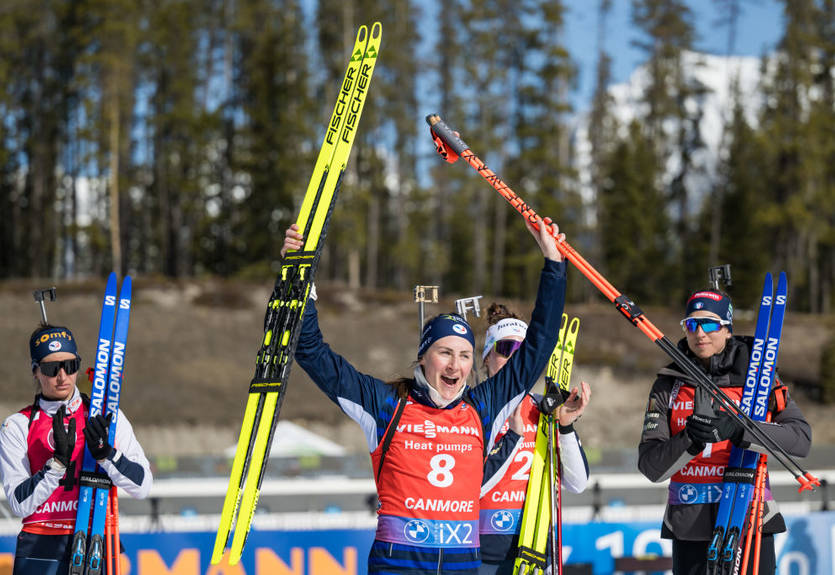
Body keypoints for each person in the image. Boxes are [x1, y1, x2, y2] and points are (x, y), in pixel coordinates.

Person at [282, 216, 567, 574]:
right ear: (423, 356)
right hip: (397, 565)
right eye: (444, 353)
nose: (455, 366)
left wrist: (554, 263)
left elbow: (539, 345)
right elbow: (311, 351)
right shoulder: (386, 405)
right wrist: (299, 277)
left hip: (462, 567)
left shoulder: (482, 407)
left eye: (464, 355)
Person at [638, 289, 811, 575]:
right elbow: (651, 467)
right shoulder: (669, 384)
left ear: (727, 329)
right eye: (691, 324)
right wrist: (690, 439)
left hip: (750, 521)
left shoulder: (760, 378)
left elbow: (800, 440)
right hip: (689, 525)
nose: (700, 333)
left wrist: (741, 430)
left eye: (709, 323)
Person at [0, 324, 153, 575]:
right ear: (35, 371)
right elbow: (19, 503)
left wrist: (106, 455)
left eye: (70, 366)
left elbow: (143, 486)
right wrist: (57, 464)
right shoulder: (17, 426)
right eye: (51, 369)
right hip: (41, 545)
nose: (62, 377)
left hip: (95, 542)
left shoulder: (107, 418)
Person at [477, 303, 591, 575]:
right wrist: (511, 437)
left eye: (523, 351)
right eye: (505, 349)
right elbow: (465, 488)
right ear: (487, 357)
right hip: (483, 554)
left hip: (536, 549)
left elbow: (577, 483)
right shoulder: (472, 409)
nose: (515, 359)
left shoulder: (544, 409)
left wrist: (565, 427)